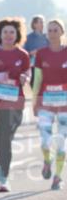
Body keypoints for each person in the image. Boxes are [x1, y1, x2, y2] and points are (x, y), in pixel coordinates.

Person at [0, 17, 30, 192]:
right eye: (5, 32)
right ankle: (3, 170)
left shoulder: (22, 55)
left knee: (6, 138)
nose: (9, 35)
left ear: (17, 34)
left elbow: (27, 73)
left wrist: (25, 78)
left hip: (15, 102)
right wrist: (0, 76)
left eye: (12, 32)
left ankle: (4, 171)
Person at [33, 19, 67, 190]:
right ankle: (47, 160)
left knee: (62, 143)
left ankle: (58, 177)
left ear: (62, 32)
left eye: (56, 30)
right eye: (50, 30)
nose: (52, 33)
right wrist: (34, 101)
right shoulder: (41, 54)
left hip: (65, 107)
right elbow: (37, 79)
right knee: (45, 141)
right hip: (46, 104)